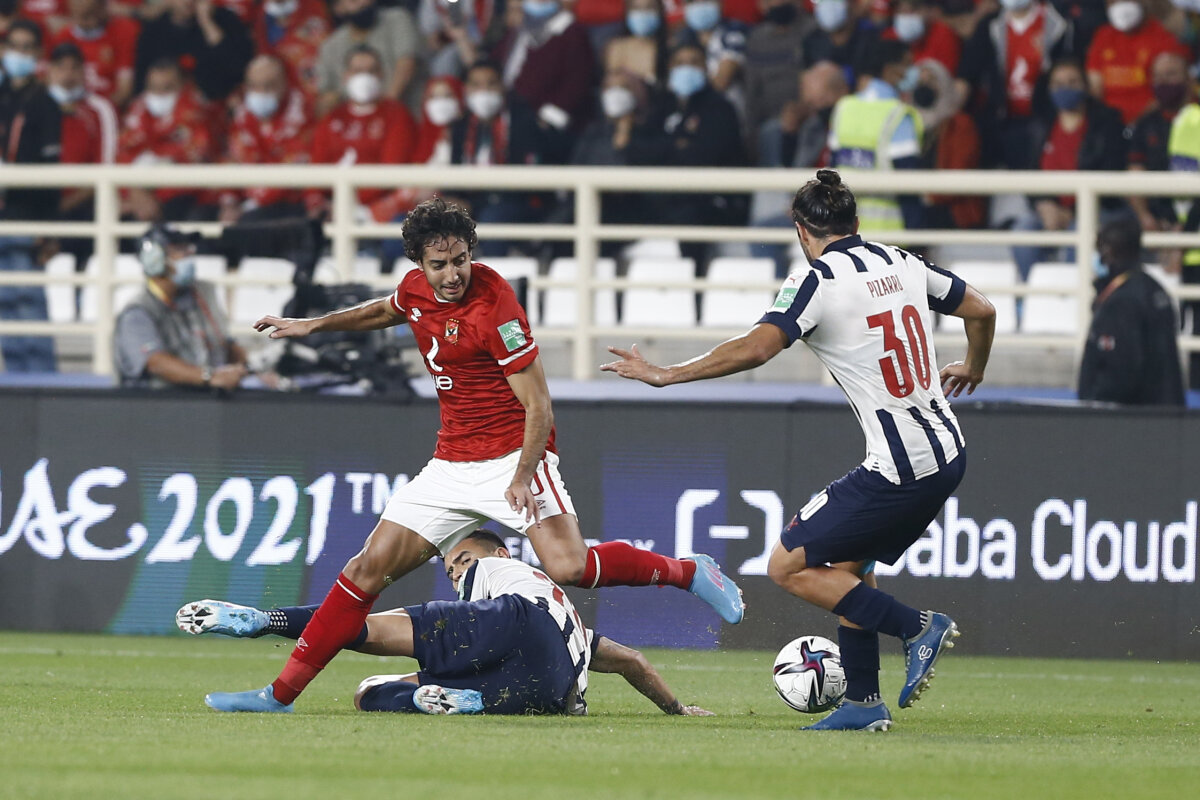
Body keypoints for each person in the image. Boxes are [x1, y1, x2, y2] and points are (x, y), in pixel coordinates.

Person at [202, 198, 744, 713]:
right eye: (439, 264)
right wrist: (315, 324)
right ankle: (280, 693)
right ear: (419, 264)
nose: (453, 274)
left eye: (461, 260)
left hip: (513, 456)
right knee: (364, 570)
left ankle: (689, 571)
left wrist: (523, 475)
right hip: (450, 465)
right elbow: (385, 311)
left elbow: (539, 406)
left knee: (568, 566)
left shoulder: (496, 306)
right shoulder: (415, 290)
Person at [602, 169, 997, 731]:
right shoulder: (902, 261)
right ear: (856, 222)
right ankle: (863, 703)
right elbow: (982, 309)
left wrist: (667, 374)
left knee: (787, 566)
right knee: (847, 571)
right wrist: (974, 367)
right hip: (947, 450)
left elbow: (758, 347)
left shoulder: (817, 280)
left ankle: (916, 628)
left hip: (902, 465)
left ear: (801, 231)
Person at [184, 530, 715, 716]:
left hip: (511, 622)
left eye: (462, 560)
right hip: (548, 688)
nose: (456, 571)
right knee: (369, 693)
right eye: (450, 567)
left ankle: (264, 619)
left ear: (499, 553)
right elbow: (632, 661)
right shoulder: (573, 623)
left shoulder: (499, 573)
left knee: (364, 629)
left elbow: (363, 624)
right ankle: (452, 699)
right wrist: (676, 709)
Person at [1010, 58, 1127, 282]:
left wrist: (1072, 212)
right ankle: (1032, 294)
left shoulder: (1107, 122)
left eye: (1073, 82)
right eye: (1059, 83)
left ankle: (1071, 296)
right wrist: (1043, 204)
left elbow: (1111, 174)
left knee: (1080, 230)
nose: (1066, 88)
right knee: (1023, 229)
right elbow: (1030, 174)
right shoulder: (1040, 125)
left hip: (1095, 209)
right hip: (1049, 211)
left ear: (1086, 86)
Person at [113, 224, 248, 390]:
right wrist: (210, 377)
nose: (189, 255)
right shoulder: (137, 312)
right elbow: (156, 362)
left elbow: (225, 344)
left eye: (188, 248)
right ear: (154, 259)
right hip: (158, 401)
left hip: (203, 398)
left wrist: (245, 367)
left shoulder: (202, 293)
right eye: (179, 249)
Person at [0, 19, 60, 373]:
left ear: (37, 53)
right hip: (2, 218)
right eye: (13, 46)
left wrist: (48, 228)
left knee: (29, 303)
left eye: (27, 48)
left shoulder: (45, 102)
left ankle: (42, 381)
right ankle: (17, 379)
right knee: (6, 305)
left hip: (28, 220)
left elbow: (51, 174)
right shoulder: (2, 97)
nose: (19, 54)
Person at [955, 0, 1074, 170]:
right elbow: (966, 75)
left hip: (1044, 120)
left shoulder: (1058, 24)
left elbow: (1069, 72)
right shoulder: (990, 25)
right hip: (1000, 120)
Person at [1078, 218, 1185, 406]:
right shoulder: (1155, 290)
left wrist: (1094, 401)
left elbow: (1121, 372)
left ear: (1108, 251)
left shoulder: (1121, 302)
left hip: (1133, 416)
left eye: (1098, 249)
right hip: (1166, 411)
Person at [306, 45, 418, 223]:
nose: (364, 77)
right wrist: (319, 204)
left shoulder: (397, 115)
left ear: (381, 75)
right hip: (334, 207)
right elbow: (316, 168)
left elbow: (391, 170)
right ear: (346, 76)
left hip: (378, 210)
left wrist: (353, 207)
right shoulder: (332, 118)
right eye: (357, 71)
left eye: (371, 71)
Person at [827, 39, 924, 231]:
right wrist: (917, 236)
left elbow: (833, 164)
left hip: (844, 229)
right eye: (907, 65)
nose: (913, 72)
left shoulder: (844, 108)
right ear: (889, 70)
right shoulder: (898, 115)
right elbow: (908, 184)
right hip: (888, 232)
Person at [117, 57, 218, 222]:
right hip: (140, 195)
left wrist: (153, 194)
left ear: (182, 85)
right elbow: (123, 152)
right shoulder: (139, 108)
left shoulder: (196, 110)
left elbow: (194, 155)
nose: (159, 94)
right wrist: (135, 192)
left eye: (167, 88)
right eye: (154, 88)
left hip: (187, 196)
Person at [220, 54, 313, 224]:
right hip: (249, 203)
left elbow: (291, 170)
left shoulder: (303, 115)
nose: (261, 92)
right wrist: (229, 202)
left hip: (291, 202)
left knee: (248, 222)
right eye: (254, 86)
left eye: (269, 85)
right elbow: (233, 159)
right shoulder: (242, 116)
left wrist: (252, 205)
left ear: (284, 84)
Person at [492, 0, 595, 135]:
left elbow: (578, 79)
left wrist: (554, 111)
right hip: (509, 110)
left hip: (543, 120)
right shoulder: (519, 28)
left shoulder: (572, 32)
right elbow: (496, 63)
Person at [1086, 0, 1188, 125]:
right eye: (1114, 2)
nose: (1121, 5)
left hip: (1150, 122)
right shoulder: (1103, 36)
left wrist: (1136, 125)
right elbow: (1095, 86)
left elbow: (1167, 91)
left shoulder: (1161, 36)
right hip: (1109, 123)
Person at [314, 0, 422, 117]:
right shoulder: (331, 46)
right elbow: (325, 95)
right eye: (353, 1)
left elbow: (407, 63)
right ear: (338, 8)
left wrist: (386, 108)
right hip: (356, 121)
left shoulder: (397, 18)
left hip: (403, 114)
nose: (363, 3)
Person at [133, 0, 254, 102]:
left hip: (218, 105)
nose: (189, 1)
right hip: (168, 104)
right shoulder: (153, 31)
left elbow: (239, 69)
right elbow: (141, 82)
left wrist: (207, 23)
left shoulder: (226, 20)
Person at [52, 0, 140, 108]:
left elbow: (124, 90)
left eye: (90, 13)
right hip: (72, 107)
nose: (86, 21)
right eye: (81, 15)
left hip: (109, 106)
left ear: (102, 8)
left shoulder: (122, 31)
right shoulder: (64, 36)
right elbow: (54, 83)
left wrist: (101, 109)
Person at [251, 0, 331, 103]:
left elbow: (330, 44)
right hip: (291, 93)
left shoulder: (314, 5)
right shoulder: (262, 15)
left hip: (323, 86)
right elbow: (267, 60)